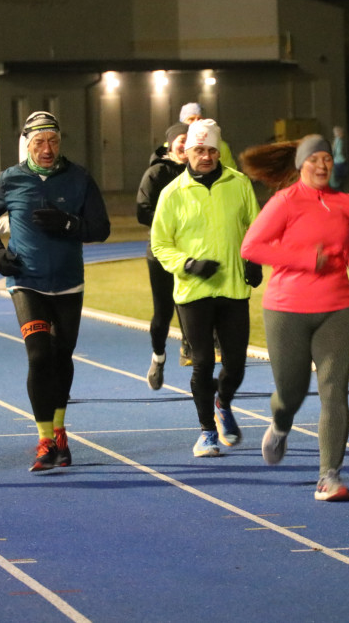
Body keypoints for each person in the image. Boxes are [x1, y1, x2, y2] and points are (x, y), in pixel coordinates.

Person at [0, 111, 110, 472]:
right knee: (38, 355)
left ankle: (61, 432)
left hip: (68, 283)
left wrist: (69, 223)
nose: (47, 149)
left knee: (62, 357)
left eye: (52, 141)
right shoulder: (12, 179)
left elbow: (101, 228)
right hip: (26, 281)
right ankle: (44, 439)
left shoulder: (79, 178)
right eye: (39, 143)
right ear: (27, 145)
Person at [240, 135, 349, 501]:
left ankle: (329, 476)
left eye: (327, 158)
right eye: (315, 159)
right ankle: (280, 422)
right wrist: (306, 259)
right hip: (287, 309)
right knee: (291, 392)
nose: (322, 165)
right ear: (300, 165)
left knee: (334, 391)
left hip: (337, 307)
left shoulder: (345, 204)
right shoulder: (284, 202)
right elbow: (252, 246)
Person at [150, 119, 262, 457]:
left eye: (212, 150)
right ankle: (206, 432)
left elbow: (256, 228)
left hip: (232, 289)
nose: (206, 156)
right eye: (199, 150)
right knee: (202, 363)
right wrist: (187, 264)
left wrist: (254, 260)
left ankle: (223, 401)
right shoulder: (172, 193)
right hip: (193, 291)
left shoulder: (239, 184)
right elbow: (160, 244)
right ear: (186, 152)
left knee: (236, 364)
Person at [137, 122, 190, 389]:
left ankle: (198, 370)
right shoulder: (157, 173)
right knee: (163, 313)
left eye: (190, 139)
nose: (185, 144)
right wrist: (172, 226)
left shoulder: (201, 172)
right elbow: (142, 210)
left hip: (193, 254)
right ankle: (158, 357)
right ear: (170, 143)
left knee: (194, 310)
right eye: (182, 138)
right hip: (161, 254)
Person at [178, 102, 237, 169]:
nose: (196, 122)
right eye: (191, 119)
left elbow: (231, 170)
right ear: (182, 122)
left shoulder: (220, 145)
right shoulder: (173, 146)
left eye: (199, 118)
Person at [330, 125, 348, 192]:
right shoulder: (339, 140)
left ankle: (339, 191)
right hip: (339, 162)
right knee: (340, 179)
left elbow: (336, 150)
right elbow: (338, 151)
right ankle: (340, 191)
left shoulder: (337, 140)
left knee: (338, 178)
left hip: (337, 162)